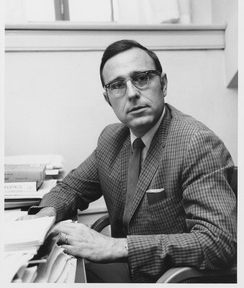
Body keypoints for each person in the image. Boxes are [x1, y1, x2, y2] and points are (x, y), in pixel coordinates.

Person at [22, 40, 236, 283]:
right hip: (127, 272)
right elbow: (72, 188)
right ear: (107, 98)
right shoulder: (112, 139)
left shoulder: (197, 143)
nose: (132, 93)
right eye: (117, 86)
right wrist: (43, 218)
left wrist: (115, 247)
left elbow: (219, 242)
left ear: (163, 84)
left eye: (142, 78)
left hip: (168, 279)